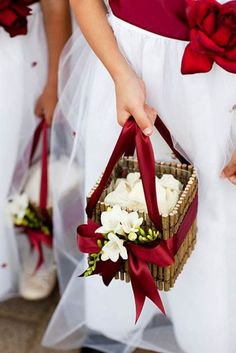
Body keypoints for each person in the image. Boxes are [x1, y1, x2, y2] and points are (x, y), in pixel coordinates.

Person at [43, 1, 236, 353]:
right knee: (121, 203)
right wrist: (120, 73)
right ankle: (112, 323)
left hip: (216, 88)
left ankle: (208, 335)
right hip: (128, 64)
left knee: (210, 212)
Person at [0, 0, 71, 301]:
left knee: (23, 151)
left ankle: (36, 243)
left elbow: (56, 7)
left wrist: (55, 82)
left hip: (19, 53)